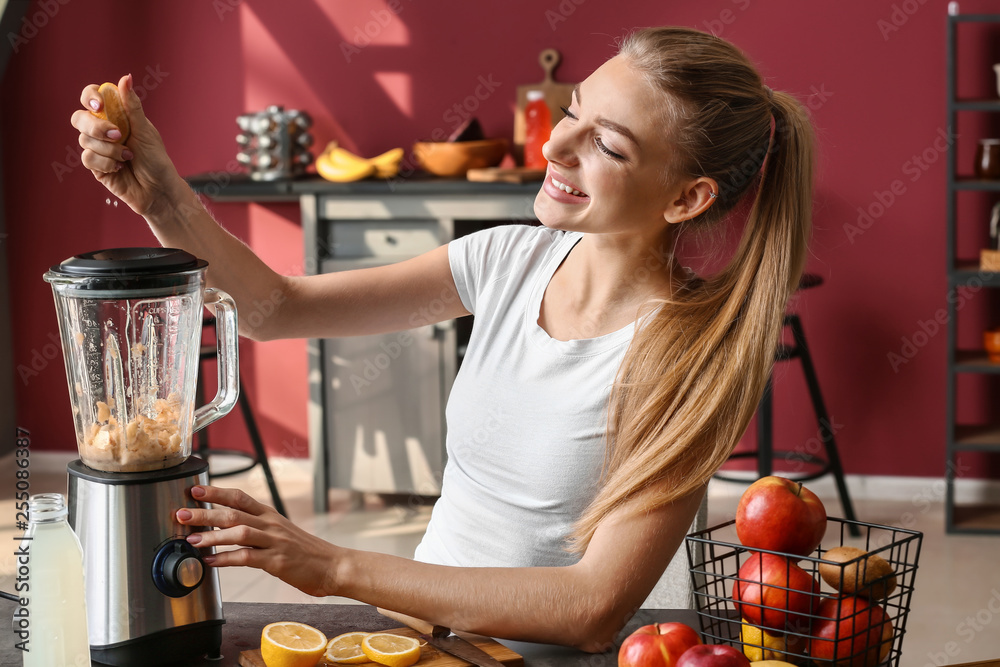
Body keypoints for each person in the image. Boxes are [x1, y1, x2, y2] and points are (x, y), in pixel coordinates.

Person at [71, 26, 813, 651]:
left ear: (687, 197)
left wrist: (330, 565)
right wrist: (163, 196)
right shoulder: (506, 260)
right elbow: (273, 307)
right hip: (420, 641)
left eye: (607, 146)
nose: (556, 146)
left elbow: (590, 610)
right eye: (572, 111)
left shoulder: (686, 353)